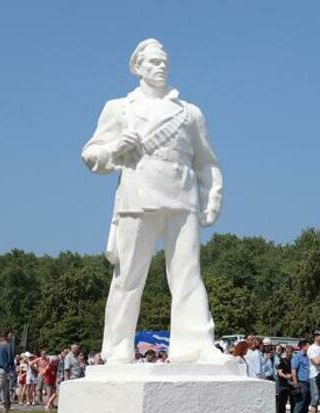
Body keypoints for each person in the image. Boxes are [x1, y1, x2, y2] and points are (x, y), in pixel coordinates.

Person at [81, 38, 225, 364]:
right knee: (129, 278)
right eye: (153, 62)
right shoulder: (119, 107)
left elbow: (206, 162)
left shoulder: (189, 113)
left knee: (188, 275)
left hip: (182, 198)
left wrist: (213, 196)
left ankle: (195, 345)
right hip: (137, 198)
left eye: (164, 62)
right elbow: (91, 154)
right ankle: (117, 348)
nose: (161, 67)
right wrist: (116, 147)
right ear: (137, 67)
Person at [290, 340, 312, 413]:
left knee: (307, 402)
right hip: (302, 382)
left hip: (309, 382)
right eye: (308, 345)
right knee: (300, 402)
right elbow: (294, 369)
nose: (310, 347)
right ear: (303, 346)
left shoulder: (309, 356)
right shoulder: (298, 356)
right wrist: (295, 382)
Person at [274, 343, 294, 413]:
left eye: (290, 351)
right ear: (285, 352)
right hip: (283, 385)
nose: (289, 353)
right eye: (287, 351)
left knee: (293, 403)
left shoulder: (294, 361)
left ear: (292, 352)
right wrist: (287, 376)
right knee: (281, 404)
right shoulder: (282, 360)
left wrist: (292, 376)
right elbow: (279, 372)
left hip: (292, 385)